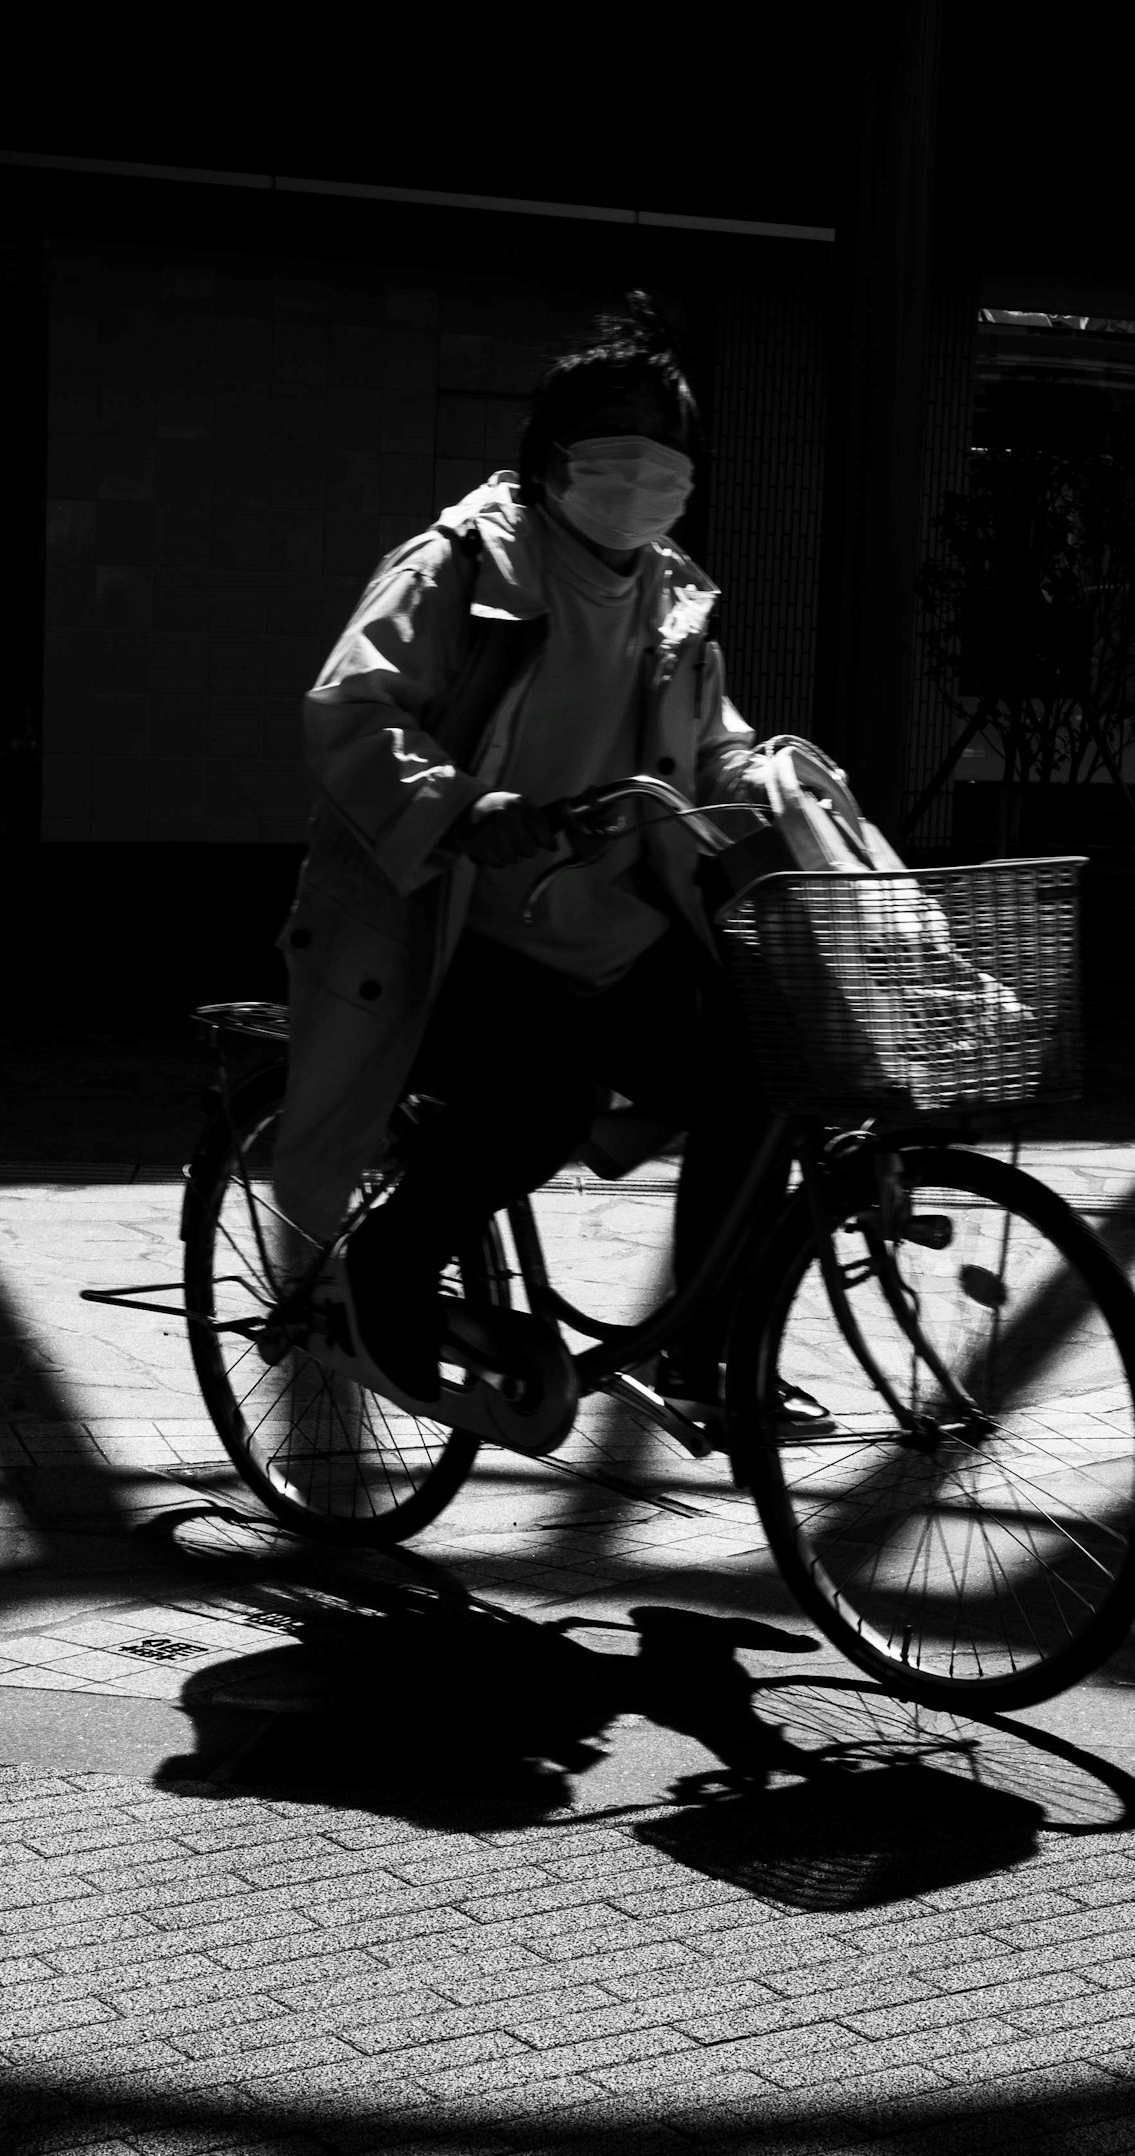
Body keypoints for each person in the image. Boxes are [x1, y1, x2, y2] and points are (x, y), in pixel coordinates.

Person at [284, 294, 816, 1434]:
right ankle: (384, 1274)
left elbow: (705, 739)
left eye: (671, 445)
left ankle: (708, 1352)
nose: (651, 467)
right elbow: (352, 710)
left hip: (614, 930)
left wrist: (763, 785)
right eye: (623, 437)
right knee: (532, 1106)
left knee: (764, 1068)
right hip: (456, 927)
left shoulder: (672, 594)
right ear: (550, 453)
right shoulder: (462, 563)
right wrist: (464, 807)